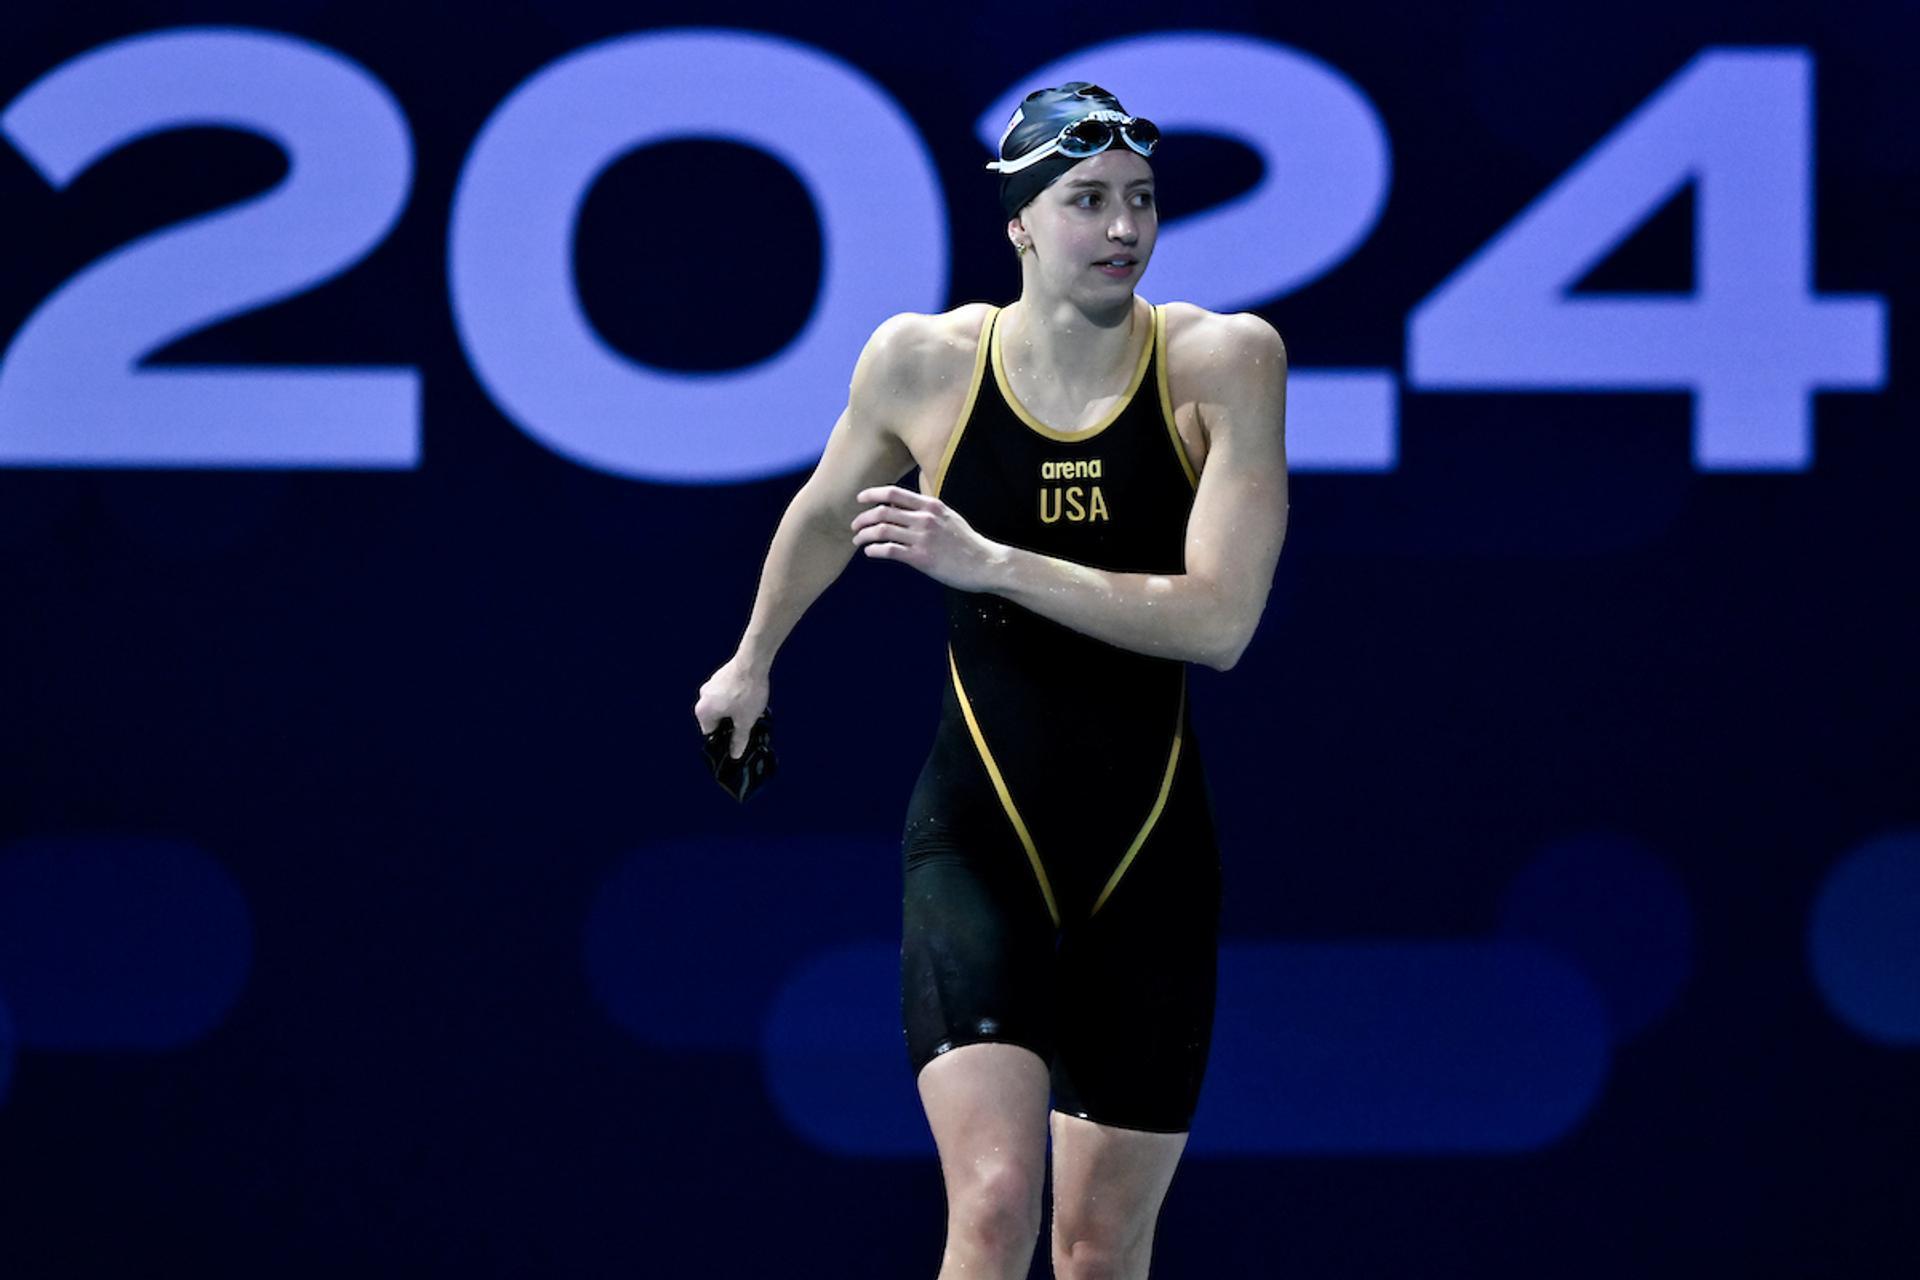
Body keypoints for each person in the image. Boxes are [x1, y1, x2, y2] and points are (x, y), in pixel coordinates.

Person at [695, 82, 1288, 1280]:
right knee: (995, 1200)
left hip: (1148, 851)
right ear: (1019, 221)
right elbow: (825, 511)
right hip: (980, 837)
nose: (1123, 228)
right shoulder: (923, 362)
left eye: (1141, 199)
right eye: (1087, 200)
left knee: (1098, 1247)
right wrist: (750, 658)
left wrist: (992, 562)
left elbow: (1220, 621)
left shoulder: (1224, 361)